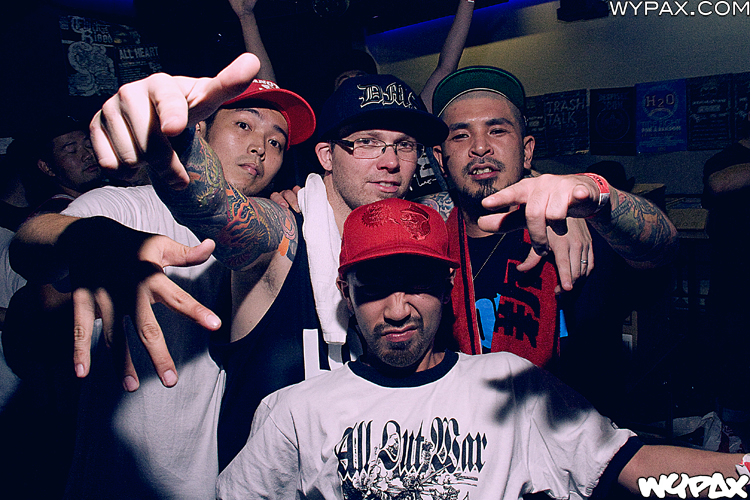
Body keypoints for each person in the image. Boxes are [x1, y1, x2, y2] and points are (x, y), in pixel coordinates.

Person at [215, 197, 743, 499]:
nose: (397, 310)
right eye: (374, 288)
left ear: (447, 287)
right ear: (345, 294)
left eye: (417, 284)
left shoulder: (509, 383)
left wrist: (742, 474)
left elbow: (631, 462)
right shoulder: (296, 411)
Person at [7, 73, 317, 498]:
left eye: (276, 142)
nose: (260, 147)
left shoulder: (267, 230)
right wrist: (91, 240)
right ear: (201, 129)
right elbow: (30, 247)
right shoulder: (126, 207)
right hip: (118, 480)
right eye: (244, 124)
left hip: (212, 480)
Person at [427, 66, 678, 373]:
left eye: (497, 131)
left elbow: (664, 249)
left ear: (527, 151)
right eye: (461, 135)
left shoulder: (581, 229)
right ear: (440, 160)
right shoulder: (428, 251)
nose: (480, 147)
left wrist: (601, 198)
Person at [702, 115, 750, 438]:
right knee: (735, 353)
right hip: (736, 280)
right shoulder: (724, 159)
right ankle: (731, 432)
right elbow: (718, 184)